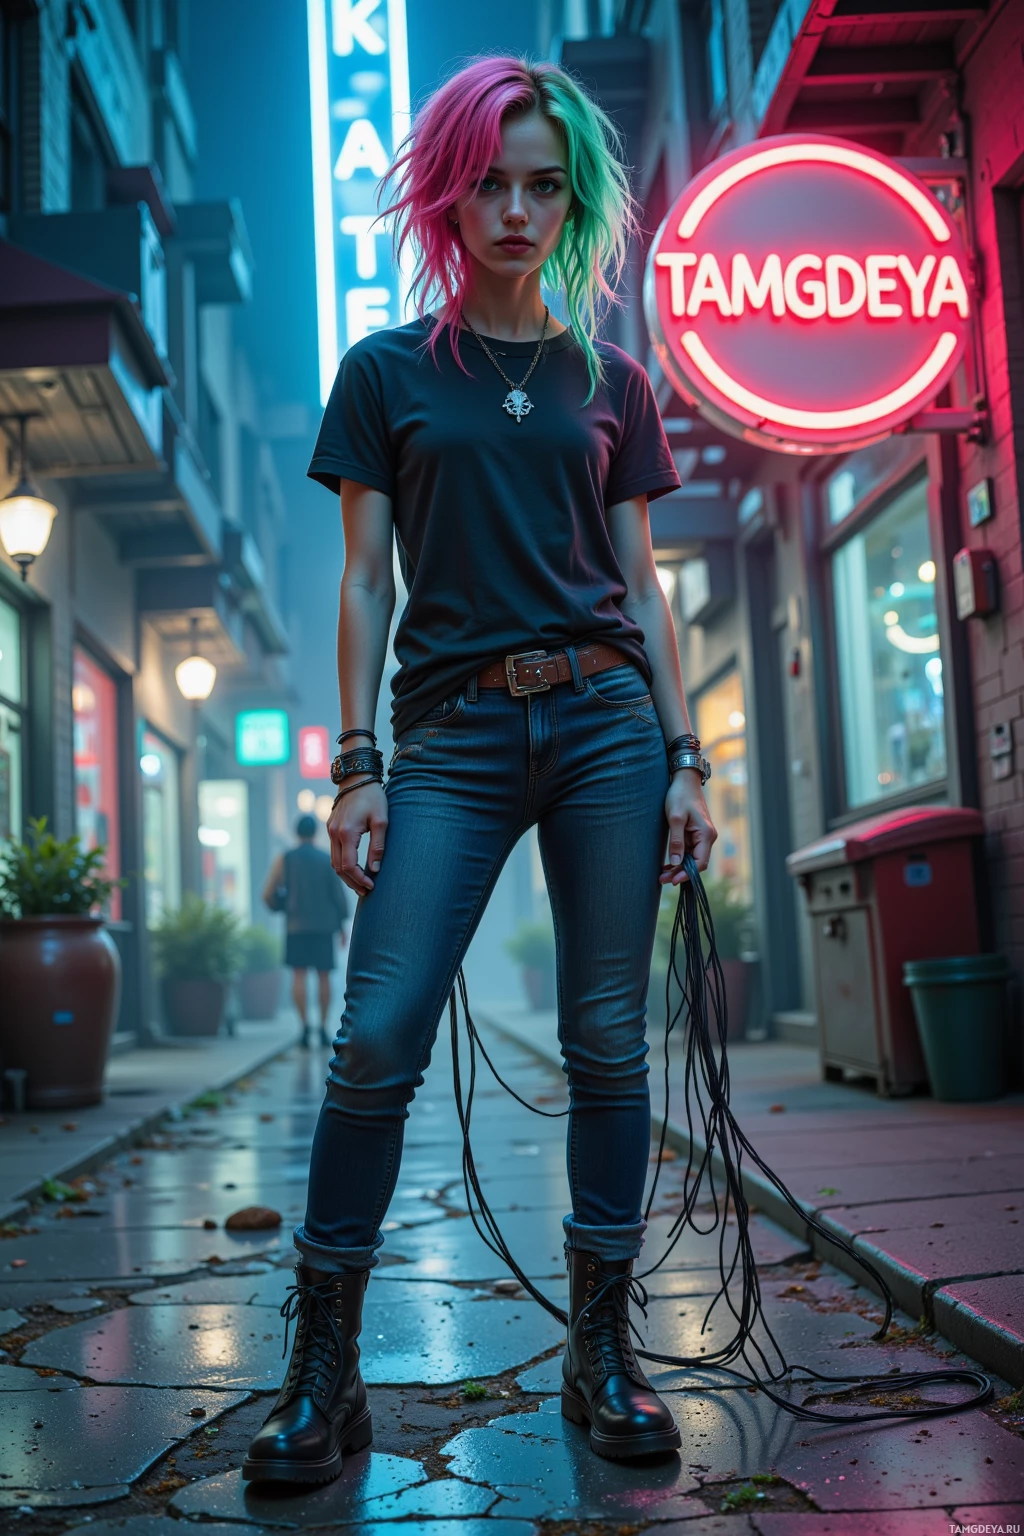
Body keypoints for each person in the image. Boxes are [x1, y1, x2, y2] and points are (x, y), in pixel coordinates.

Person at [243, 56, 717, 1488]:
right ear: (450, 193)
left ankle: (601, 1354)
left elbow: (645, 581)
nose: (515, 209)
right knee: (376, 1033)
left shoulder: (611, 381)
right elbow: (359, 588)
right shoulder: (386, 371)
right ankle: (324, 1372)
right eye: (490, 182)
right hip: (444, 737)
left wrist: (689, 758)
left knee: (606, 1042)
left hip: (604, 729)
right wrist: (356, 766)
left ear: (571, 201)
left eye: (543, 185)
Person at [263, 814, 350, 1048]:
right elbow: (338, 896)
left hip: (296, 927)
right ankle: (322, 1028)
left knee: (299, 976)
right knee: (324, 977)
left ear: (296, 832)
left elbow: (268, 894)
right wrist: (342, 925)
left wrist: (283, 906)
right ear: (315, 833)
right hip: (323, 928)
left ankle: (304, 1028)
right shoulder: (326, 859)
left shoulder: (286, 860)